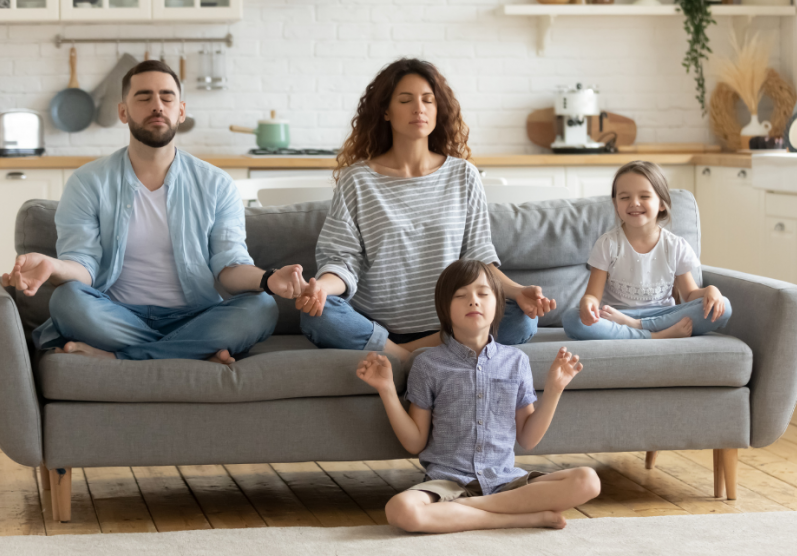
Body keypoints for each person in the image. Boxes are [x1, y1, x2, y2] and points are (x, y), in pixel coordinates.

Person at [2, 60, 305, 363]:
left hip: (195, 316)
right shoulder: (87, 182)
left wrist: (268, 279)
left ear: (181, 111)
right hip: (116, 314)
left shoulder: (216, 184)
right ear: (123, 111)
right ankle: (192, 354)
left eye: (167, 97)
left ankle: (119, 358)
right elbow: (84, 266)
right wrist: (53, 266)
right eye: (144, 97)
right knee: (67, 299)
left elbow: (229, 267)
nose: (157, 106)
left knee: (262, 307)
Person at [297, 58, 555, 362]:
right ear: (385, 112)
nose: (418, 108)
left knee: (521, 317)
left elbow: (478, 259)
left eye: (428, 100)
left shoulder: (463, 175)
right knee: (316, 314)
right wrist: (321, 289)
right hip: (374, 324)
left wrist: (517, 292)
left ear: (437, 110)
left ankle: (401, 356)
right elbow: (342, 259)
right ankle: (410, 355)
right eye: (405, 100)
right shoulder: (358, 179)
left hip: (451, 323)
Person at [356, 260, 600, 533]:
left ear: (497, 304)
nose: (473, 301)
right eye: (461, 296)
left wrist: (554, 389)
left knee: (588, 481)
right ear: (445, 309)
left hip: (506, 482)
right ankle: (519, 518)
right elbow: (414, 442)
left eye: (483, 294)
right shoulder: (427, 364)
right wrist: (387, 389)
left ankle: (465, 513)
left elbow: (528, 439)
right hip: (446, 484)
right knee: (400, 509)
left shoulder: (516, 361)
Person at [562, 161, 732, 341]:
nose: (634, 203)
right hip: (616, 316)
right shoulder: (607, 244)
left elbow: (689, 295)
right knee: (572, 319)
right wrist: (588, 304)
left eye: (644, 196)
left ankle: (638, 328)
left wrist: (710, 290)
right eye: (625, 197)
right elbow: (592, 296)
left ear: (661, 203)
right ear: (615, 204)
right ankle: (655, 336)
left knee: (724, 307)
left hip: (662, 315)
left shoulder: (676, 245)